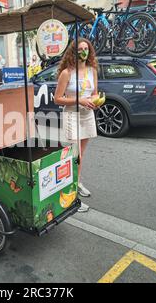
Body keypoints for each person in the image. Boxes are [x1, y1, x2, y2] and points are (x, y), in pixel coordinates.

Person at [54, 38, 99, 213]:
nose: (84, 52)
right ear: (73, 52)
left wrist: (95, 101)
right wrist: (79, 99)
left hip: (87, 114)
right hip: (72, 114)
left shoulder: (92, 71)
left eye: (86, 49)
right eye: (80, 49)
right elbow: (58, 99)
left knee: (81, 154)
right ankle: (70, 194)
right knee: (74, 155)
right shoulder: (67, 73)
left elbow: (94, 93)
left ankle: (77, 183)